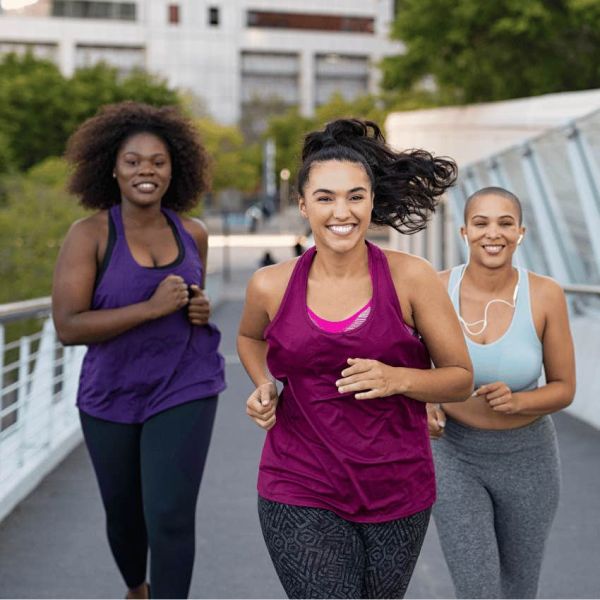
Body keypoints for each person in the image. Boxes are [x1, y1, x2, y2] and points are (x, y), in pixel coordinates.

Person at [237, 118, 474, 599]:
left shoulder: (412, 277)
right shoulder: (271, 285)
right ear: (303, 205)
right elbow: (249, 337)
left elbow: (459, 379)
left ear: (372, 202)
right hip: (298, 482)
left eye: (355, 196)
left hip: (397, 487)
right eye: (324, 197)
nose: (341, 211)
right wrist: (265, 384)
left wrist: (397, 379)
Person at [52, 102, 226, 599]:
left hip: (185, 384)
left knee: (170, 514)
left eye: (158, 161)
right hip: (112, 392)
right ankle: (136, 588)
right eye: (133, 161)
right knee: (124, 515)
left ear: (175, 170)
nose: (145, 170)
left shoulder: (192, 232)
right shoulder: (89, 236)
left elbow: (192, 299)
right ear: (112, 167)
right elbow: (68, 326)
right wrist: (150, 309)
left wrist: (198, 307)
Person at [427, 186, 576, 599]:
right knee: (477, 588)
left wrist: (519, 401)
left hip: (529, 458)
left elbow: (564, 388)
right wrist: (427, 401)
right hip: (455, 455)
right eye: (481, 223)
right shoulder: (436, 289)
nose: (493, 233)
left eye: (505, 223)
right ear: (464, 232)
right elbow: (414, 364)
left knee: (518, 588)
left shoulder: (546, 295)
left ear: (521, 232)